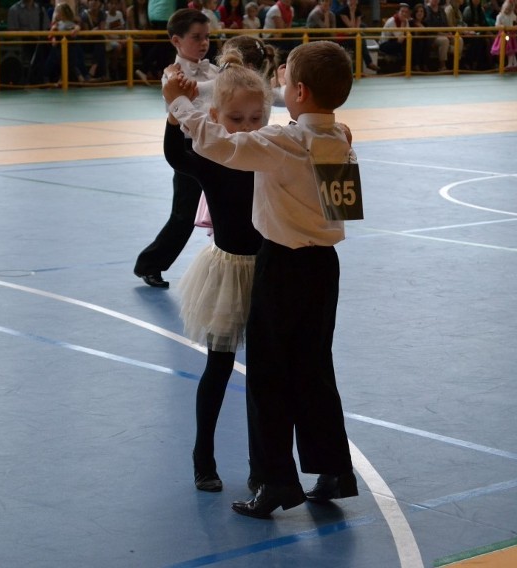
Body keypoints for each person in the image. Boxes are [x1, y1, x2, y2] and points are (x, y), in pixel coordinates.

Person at [163, 40, 359, 519]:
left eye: (285, 78)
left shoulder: (285, 142)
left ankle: (275, 481)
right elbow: (345, 208)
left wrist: (179, 103)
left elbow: (216, 145)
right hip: (324, 267)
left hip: (283, 266)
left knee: (268, 377)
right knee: (315, 368)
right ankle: (333, 469)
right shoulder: (342, 136)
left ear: (298, 91)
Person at [164, 43, 271, 493]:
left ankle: (262, 465)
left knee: (267, 377)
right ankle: (203, 456)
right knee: (219, 368)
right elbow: (176, 156)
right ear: (217, 118)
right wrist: (174, 114)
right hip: (228, 273)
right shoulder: (214, 157)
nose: (246, 129)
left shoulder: (272, 151)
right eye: (236, 120)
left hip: (270, 272)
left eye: (255, 120)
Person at [134, 8, 217, 289]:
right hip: (187, 150)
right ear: (176, 41)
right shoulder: (173, 76)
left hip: (219, 145)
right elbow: (195, 94)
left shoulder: (213, 70)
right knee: (184, 214)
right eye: (196, 37)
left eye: (206, 37)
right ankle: (150, 264)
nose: (204, 43)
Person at [7, 0, 51, 84]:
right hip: (24, 42)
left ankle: (48, 78)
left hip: (41, 42)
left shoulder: (41, 9)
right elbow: (12, 31)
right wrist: (29, 35)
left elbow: (47, 28)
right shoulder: (14, 10)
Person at [45, 1, 88, 84]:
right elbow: (51, 33)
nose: (56, 14)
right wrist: (53, 38)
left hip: (70, 48)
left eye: (58, 12)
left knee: (71, 63)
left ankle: (79, 78)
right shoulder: (57, 24)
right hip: (59, 48)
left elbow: (77, 27)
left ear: (62, 14)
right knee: (59, 62)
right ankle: (59, 78)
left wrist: (75, 30)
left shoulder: (69, 23)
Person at [336, 0, 378, 72]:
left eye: (355, 0)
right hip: (342, 38)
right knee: (360, 37)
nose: (353, 2)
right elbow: (352, 27)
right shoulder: (342, 12)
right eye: (351, 0)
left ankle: (361, 68)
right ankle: (368, 62)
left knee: (360, 36)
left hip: (352, 36)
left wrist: (353, 30)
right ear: (348, 1)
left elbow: (356, 30)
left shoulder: (358, 12)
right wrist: (352, 12)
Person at [491, 0, 517, 70]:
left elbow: (516, 18)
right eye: (506, 9)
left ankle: (513, 64)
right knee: (506, 49)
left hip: (509, 35)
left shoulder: (512, 14)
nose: (507, 11)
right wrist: (501, 26)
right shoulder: (500, 16)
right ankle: (511, 63)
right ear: (503, 8)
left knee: (510, 48)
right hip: (503, 35)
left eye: (509, 9)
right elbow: (496, 25)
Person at [425, 0, 453, 71]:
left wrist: (449, 32)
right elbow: (429, 28)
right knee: (444, 40)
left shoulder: (441, 10)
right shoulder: (426, 10)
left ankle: (456, 64)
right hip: (431, 35)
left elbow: (446, 24)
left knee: (459, 39)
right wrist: (444, 34)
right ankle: (442, 66)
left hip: (444, 34)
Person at [379, 2, 410, 66]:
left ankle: (410, 66)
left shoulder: (406, 20)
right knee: (402, 45)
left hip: (395, 42)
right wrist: (403, 25)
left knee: (411, 43)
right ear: (398, 12)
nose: (404, 14)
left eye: (406, 12)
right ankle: (404, 66)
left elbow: (408, 34)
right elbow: (400, 39)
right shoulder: (392, 21)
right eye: (402, 11)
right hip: (385, 44)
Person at [410, 3, 432, 71]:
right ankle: (416, 65)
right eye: (417, 11)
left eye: (421, 11)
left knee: (427, 42)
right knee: (419, 42)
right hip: (412, 42)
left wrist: (422, 27)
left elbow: (428, 33)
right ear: (414, 13)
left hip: (423, 42)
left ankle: (424, 64)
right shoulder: (411, 22)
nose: (419, 13)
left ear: (424, 13)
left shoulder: (425, 23)